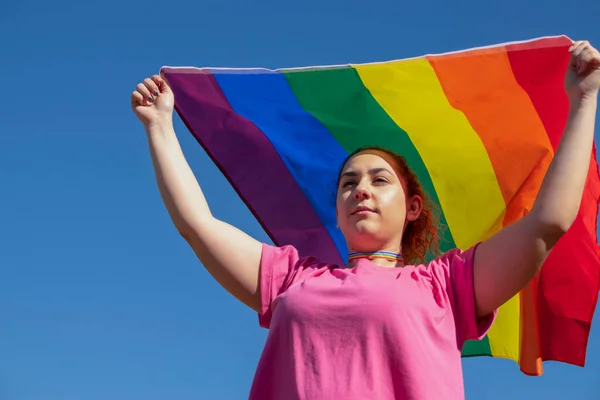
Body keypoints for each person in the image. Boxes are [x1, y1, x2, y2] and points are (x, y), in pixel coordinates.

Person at [130, 40, 600, 399]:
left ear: (412, 207)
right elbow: (197, 224)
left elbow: (549, 222)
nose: (361, 189)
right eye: (349, 183)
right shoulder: (290, 278)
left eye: (380, 180)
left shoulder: (446, 285)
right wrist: (160, 127)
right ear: (337, 210)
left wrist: (583, 103)